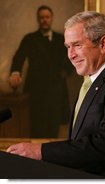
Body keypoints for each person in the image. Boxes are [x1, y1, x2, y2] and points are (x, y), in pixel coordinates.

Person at [7, 11, 105, 179]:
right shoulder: (91, 82)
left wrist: (41, 151)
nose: (70, 55)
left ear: (103, 44)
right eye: (68, 47)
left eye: (77, 45)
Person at [9, 5, 73, 138]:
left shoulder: (61, 39)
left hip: (56, 91)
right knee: (36, 129)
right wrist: (15, 72)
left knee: (53, 129)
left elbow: (71, 57)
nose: (44, 20)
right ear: (38, 20)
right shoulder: (29, 39)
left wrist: (66, 71)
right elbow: (19, 57)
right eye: (41, 17)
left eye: (47, 17)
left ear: (51, 18)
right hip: (35, 91)